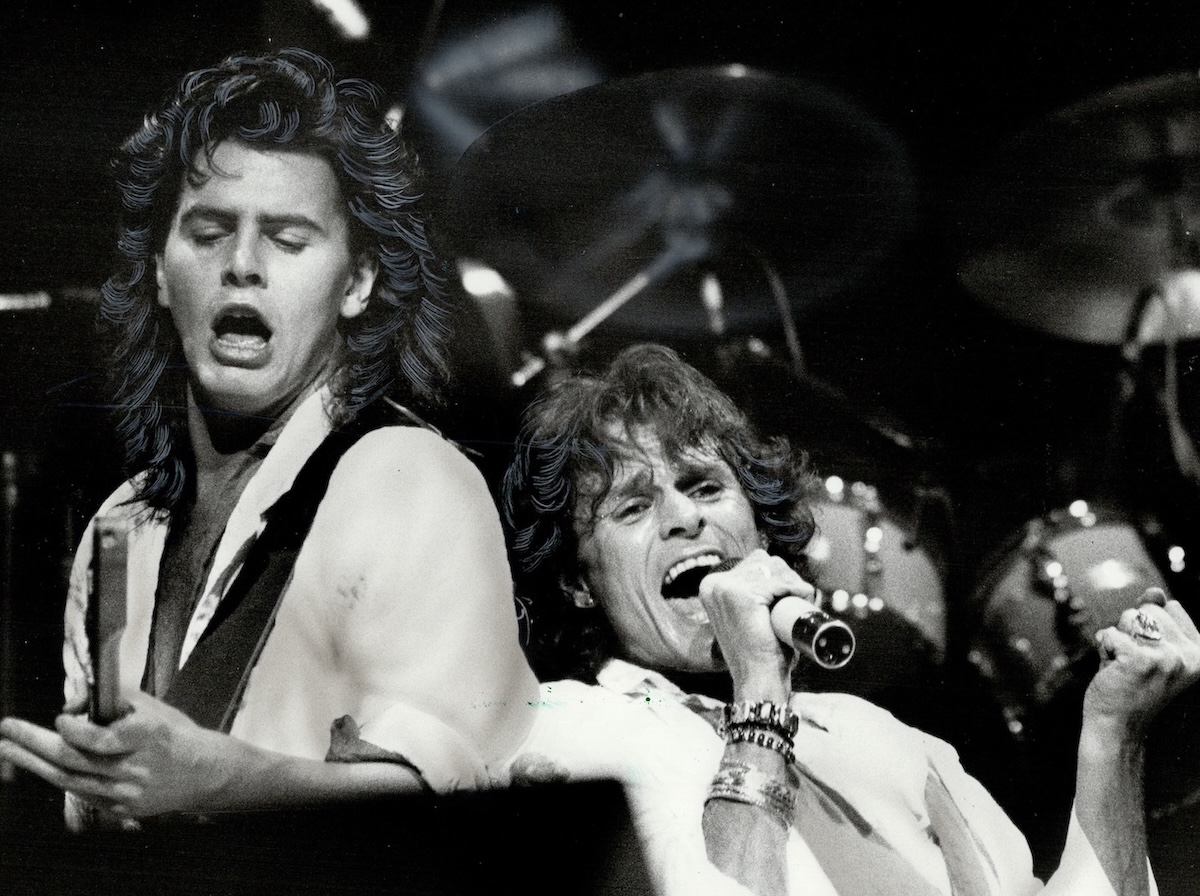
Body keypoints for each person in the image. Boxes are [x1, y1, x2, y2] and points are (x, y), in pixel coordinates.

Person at [0, 48, 537, 827]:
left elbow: (454, 809)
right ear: (160, 270)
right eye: (209, 231)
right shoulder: (119, 528)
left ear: (356, 283)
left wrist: (220, 784)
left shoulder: (410, 483)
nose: (242, 265)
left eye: (288, 239)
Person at [500, 342, 1200, 896]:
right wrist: (760, 692)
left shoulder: (881, 735)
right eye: (633, 506)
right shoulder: (568, 729)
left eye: (705, 486)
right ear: (577, 582)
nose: (685, 517)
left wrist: (1113, 736)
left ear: (759, 530)